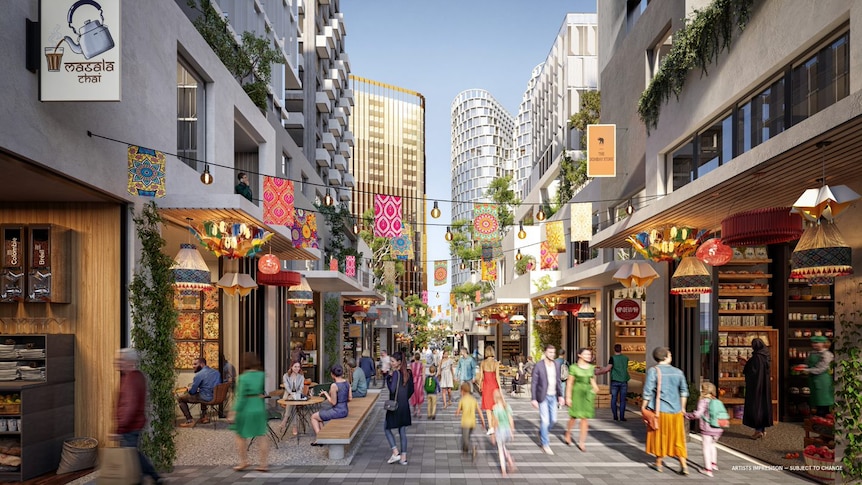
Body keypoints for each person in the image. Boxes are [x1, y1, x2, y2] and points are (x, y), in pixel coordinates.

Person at [110, 348, 163, 484]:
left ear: (129, 362)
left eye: (121, 360)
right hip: (133, 424)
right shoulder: (134, 377)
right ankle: (150, 478)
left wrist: (120, 428)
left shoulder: (132, 379)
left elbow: (130, 406)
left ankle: (147, 478)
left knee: (132, 456)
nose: (118, 362)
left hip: (130, 425)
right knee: (133, 454)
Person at [642, 346, 689, 475]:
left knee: (660, 436)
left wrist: (643, 406)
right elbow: (684, 391)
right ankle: (683, 464)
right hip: (676, 411)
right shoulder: (678, 372)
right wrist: (683, 407)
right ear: (666, 357)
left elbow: (648, 391)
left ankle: (658, 464)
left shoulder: (653, 371)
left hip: (660, 411)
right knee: (677, 437)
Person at [229, 352, 269, 472]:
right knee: (261, 435)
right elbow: (262, 391)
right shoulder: (261, 375)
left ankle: (243, 462)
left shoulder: (242, 377)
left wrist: (233, 412)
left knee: (240, 435)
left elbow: (241, 397)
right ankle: (263, 464)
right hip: (258, 406)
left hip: (247, 407)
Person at [684, 382, 724, 478]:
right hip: (718, 428)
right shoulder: (716, 400)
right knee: (713, 445)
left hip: (707, 428)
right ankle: (714, 464)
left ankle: (708, 470)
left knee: (706, 448)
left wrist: (687, 415)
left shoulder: (703, 401)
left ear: (703, 391)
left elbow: (697, 414)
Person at [531, 344, 564, 455]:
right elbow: (534, 383)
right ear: (545, 352)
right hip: (543, 396)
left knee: (553, 420)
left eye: (553, 352)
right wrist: (534, 398)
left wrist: (560, 395)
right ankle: (545, 444)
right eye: (550, 352)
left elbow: (558, 381)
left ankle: (542, 432)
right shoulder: (539, 366)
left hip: (553, 396)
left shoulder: (556, 364)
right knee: (545, 420)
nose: (552, 354)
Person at [565, 348, 600, 451]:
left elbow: (592, 381)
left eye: (589, 355)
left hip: (587, 395)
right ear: (579, 355)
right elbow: (570, 383)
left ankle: (582, 442)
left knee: (585, 419)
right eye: (586, 354)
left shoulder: (591, 368)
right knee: (573, 416)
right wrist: (568, 397)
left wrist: (594, 390)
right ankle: (568, 432)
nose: (588, 356)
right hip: (577, 393)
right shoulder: (573, 368)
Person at [737, 337, 773, 439]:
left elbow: (752, 371)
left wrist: (745, 363)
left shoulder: (757, 357)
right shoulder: (765, 356)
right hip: (764, 387)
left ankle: (758, 431)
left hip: (756, 387)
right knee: (763, 407)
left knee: (756, 407)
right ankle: (762, 429)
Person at [384, 351, 414, 466]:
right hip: (404, 406)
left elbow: (392, 390)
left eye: (392, 361)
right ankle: (403, 458)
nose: (391, 363)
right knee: (402, 431)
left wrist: (388, 378)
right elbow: (412, 389)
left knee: (386, 428)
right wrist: (404, 398)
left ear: (399, 362)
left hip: (395, 406)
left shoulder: (396, 373)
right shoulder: (408, 373)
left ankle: (395, 452)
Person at [310, 364, 352, 445]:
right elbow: (350, 398)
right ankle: (324, 436)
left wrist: (326, 394)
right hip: (345, 410)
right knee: (320, 415)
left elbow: (333, 402)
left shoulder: (334, 385)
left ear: (332, 374)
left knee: (314, 417)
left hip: (337, 411)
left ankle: (319, 438)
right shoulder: (347, 383)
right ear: (342, 373)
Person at [177, 356, 221, 427]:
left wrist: (189, 389)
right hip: (216, 397)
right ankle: (205, 416)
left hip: (206, 397)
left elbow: (192, 392)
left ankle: (189, 420)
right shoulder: (216, 372)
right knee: (202, 392)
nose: (193, 366)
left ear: (202, 364)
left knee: (181, 399)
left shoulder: (199, 375)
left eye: (195, 364)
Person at [799, 335, 834, 417]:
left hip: (823, 380)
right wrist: (802, 366)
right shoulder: (812, 353)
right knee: (815, 400)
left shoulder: (827, 354)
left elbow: (821, 368)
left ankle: (823, 419)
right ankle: (816, 419)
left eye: (816, 343)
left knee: (823, 401)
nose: (814, 345)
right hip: (813, 379)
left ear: (823, 343)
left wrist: (807, 370)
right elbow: (807, 364)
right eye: (813, 343)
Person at [597, 344, 630, 421]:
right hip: (624, 380)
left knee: (614, 398)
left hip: (615, 380)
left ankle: (615, 416)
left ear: (614, 349)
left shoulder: (612, 358)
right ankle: (622, 417)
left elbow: (607, 369)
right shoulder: (626, 358)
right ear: (621, 349)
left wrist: (599, 371)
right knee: (622, 400)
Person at [455, 381, 486, 461]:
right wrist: (483, 421)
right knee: (467, 437)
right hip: (472, 423)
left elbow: (457, 412)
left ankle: (470, 448)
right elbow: (479, 411)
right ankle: (467, 449)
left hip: (465, 423)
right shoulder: (473, 400)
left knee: (465, 439)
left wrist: (457, 412)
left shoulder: (462, 400)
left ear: (462, 391)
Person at [491, 389, 516, 478]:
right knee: (504, 446)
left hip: (500, 431)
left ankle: (504, 471)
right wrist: (512, 432)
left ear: (494, 398)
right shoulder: (507, 406)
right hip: (507, 431)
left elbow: (495, 422)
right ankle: (510, 461)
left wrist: (493, 434)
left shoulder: (495, 408)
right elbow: (511, 420)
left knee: (500, 450)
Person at [478, 345, 501, 436]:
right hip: (494, 387)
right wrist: (500, 389)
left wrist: (480, 385)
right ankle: (495, 426)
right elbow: (497, 377)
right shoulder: (496, 363)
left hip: (486, 387)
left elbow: (481, 377)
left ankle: (490, 427)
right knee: (494, 407)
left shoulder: (483, 363)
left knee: (488, 408)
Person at [278, 360, 306, 435]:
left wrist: (296, 395)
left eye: (298, 367)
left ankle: (285, 419)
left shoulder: (301, 377)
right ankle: (294, 426)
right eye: (295, 367)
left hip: (297, 395)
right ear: (291, 367)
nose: (297, 368)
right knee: (292, 403)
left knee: (292, 402)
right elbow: (287, 387)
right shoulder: (286, 376)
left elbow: (301, 388)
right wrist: (291, 394)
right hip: (288, 395)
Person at [409, 352, 425, 418]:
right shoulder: (422, 365)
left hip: (413, 381)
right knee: (419, 395)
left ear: (414, 357)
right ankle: (419, 411)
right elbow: (423, 374)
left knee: (413, 395)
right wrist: (423, 381)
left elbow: (409, 374)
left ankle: (414, 410)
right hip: (419, 381)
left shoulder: (411, 365)